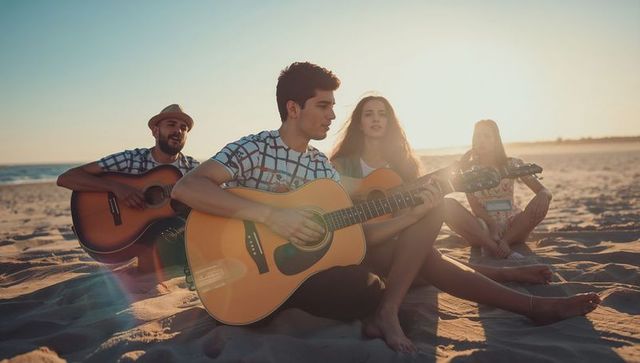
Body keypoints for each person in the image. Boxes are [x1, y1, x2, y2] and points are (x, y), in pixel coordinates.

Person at [330, 95, 600, 352]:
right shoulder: (341, 165)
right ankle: (522, 294)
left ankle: (518, 288)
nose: (376, 119)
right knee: (430, 260)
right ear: (359, 122)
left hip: (396, 244)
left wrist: (423, 204)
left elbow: (415, 214)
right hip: (358, 245)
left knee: (432, 230)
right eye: (369, 114)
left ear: (390, 122)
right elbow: (334, 209)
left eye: (382, 114)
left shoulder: (404, 166)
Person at [57, 104, 200, 273]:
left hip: (163, 238)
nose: (178, 131)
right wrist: (116, 187)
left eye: (183, 128)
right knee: (172, 225)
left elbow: (219, 194)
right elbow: (67, 178)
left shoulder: (193, 170)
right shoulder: (131, 159)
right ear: (155, 131)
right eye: (171, 125)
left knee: (180, 225)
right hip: (111, 238)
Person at [444, 119, 552, 259]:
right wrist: (493, 226)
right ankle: (493, 246)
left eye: (486, 136)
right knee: (447, 205)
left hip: (514, 227)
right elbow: (475, 207)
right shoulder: (469, 170)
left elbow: (544, 191)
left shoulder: (512, 164)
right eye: (477, 136)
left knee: (543, 198)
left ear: (496, 140)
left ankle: (504, 243)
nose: (481, 140)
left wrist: (544, 194)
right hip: (483, 228)